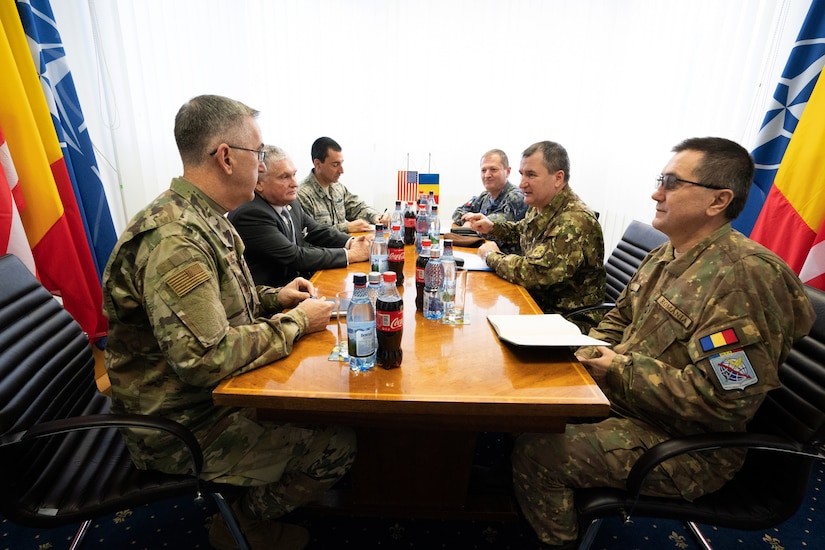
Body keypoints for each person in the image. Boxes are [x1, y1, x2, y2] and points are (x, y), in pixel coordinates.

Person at [511, 137, 816, 548]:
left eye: (672, 183)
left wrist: (614, 366)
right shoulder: (668, 254)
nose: (657, 192)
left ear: (718, 200)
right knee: (523, 405)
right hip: (628, 404)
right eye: (660, 180)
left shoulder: (745, 279)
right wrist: (587, 350)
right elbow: (618, 317)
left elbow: (724, 401)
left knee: (538, 453)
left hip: (686, 446)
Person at [102, 95, 355, 550]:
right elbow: (206, 358)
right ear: (224, 157)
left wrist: (276, 297)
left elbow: (227, 303)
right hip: (182, 423)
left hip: (209, 397)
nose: (263, 164)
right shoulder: (174, 239)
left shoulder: (206, 217)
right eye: (258, 154)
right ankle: (242, 525)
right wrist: (295, 322)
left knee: (322, 399)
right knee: (336, 445)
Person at [464, 141, 605, 323]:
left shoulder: (573, 221)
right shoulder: (540, 204)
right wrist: (492, 227)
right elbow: (522, 230)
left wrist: (491, 255)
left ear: (558, 178)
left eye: (531, 175)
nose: (522, 184)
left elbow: (533, 273)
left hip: (564, 321)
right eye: (522, 174)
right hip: (535, 302)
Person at [229, 145, 372, 287]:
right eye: (285, 177)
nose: (295, 183)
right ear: (259, 183)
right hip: (271, 298)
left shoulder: (291, 203)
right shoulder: (251, 214)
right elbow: (294, 256)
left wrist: (351, 242)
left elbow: (317, 231)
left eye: (294, 175)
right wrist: (351, 255)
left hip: (298, 285)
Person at [297, 136, 389, 233]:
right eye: (335, 165)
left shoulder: (337, 187)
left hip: (348, 246)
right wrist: (346, 227)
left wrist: (377, 217)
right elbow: (310, 235)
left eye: (341, 163)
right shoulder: (302, 195)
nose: (342, 171)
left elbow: (357, 207)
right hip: (329, 248)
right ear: (318, 164)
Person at [452, 149, 528, 254]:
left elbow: (494, 225)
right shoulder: (484, 197)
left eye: (493, 169)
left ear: (508, 171)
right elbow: (458, 212)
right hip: (484, 255)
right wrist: (469, 221)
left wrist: (473, 223)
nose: (487, 175)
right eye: (483, 170)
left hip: (507, 262)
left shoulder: (516, 197)